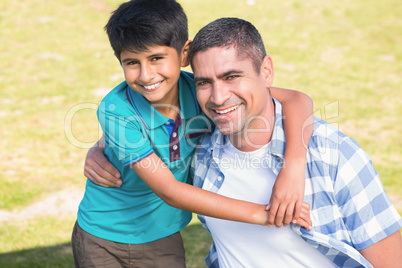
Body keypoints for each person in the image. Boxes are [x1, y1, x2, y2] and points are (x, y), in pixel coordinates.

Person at [73, 0, 315, 267]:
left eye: (156, 58)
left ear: (184, 53)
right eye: (132, 62)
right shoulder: (115, 110)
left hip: (162, 234)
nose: (146, 75)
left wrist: (293, 167)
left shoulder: (204, 92)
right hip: (102, 236)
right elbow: (169, 190)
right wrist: (265, 214)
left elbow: (297, 99)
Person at [186, 17, 402, 267]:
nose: (218, 97)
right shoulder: (202, 153)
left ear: (266, 71)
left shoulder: (336, 157)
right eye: (204, 82)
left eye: (232, 76)